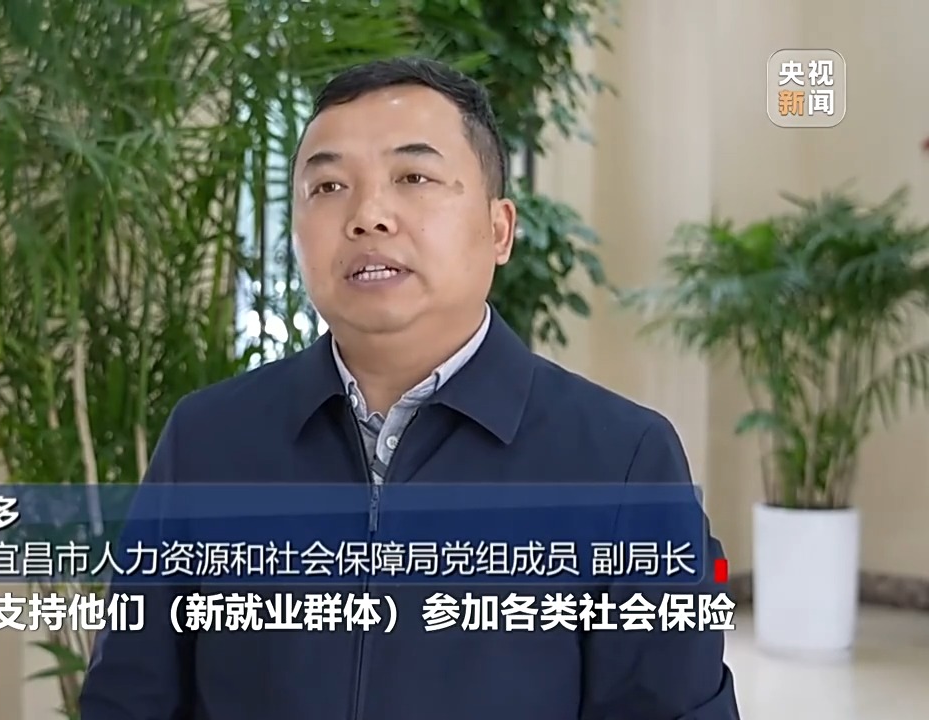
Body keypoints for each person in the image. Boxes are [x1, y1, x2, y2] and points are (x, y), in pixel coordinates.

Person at [80, 56, 741, 720]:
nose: (368, 216)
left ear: (499, 229)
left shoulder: (622, 463)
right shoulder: (208, 440)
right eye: (328, 186)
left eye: (414, 177)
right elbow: (128, 701)